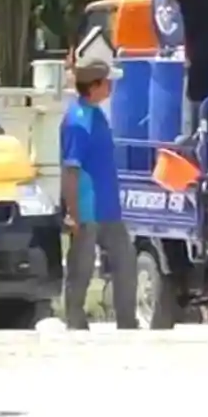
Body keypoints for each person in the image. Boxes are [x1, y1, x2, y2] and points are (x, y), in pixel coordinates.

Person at [61, 58, 138, 330]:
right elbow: (71, 171)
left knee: (125, 263)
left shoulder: (97, 115)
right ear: (94, 86)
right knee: (81, 268)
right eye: (107, 82)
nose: (112, 87)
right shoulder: (77, 122)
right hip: (87, 209)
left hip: (108, 208)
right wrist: (73, 213)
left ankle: (127, 321)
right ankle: (75, 319)